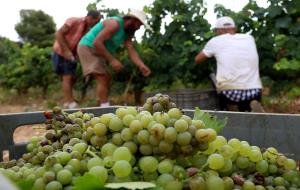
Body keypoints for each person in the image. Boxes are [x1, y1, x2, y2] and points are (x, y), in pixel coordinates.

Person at [77, 9, 151, 107]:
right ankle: (105, 107)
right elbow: (97, 43)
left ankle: (103, 104)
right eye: (139, 24)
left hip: (99, 51)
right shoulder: (114, 24)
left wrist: (141, 65)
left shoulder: (128, 33)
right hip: (88, 47)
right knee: (102, 77)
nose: (139, 28)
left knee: (107, 77)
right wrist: (112, 60)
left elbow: (131, 50)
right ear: (132, 20)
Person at [195, 16, 264, 112]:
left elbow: (198, 59)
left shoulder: (215, 41)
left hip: (229, 92)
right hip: (254, 90)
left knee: (214, 78)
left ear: (219, 30)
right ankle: (248, 109)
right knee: (246, 106)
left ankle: (225, 109)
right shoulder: (249, 38)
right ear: (234, 29)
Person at [52, 10, 102, 109]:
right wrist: (66, 51)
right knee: (67, 77)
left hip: (72, 56)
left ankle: (67, 102)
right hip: (60, 52)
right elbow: (58, 34)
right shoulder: (73, 21)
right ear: (89, 18)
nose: (96, 24)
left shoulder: (88, 31)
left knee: (71, 78)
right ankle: (69, 102)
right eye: (96, 22)